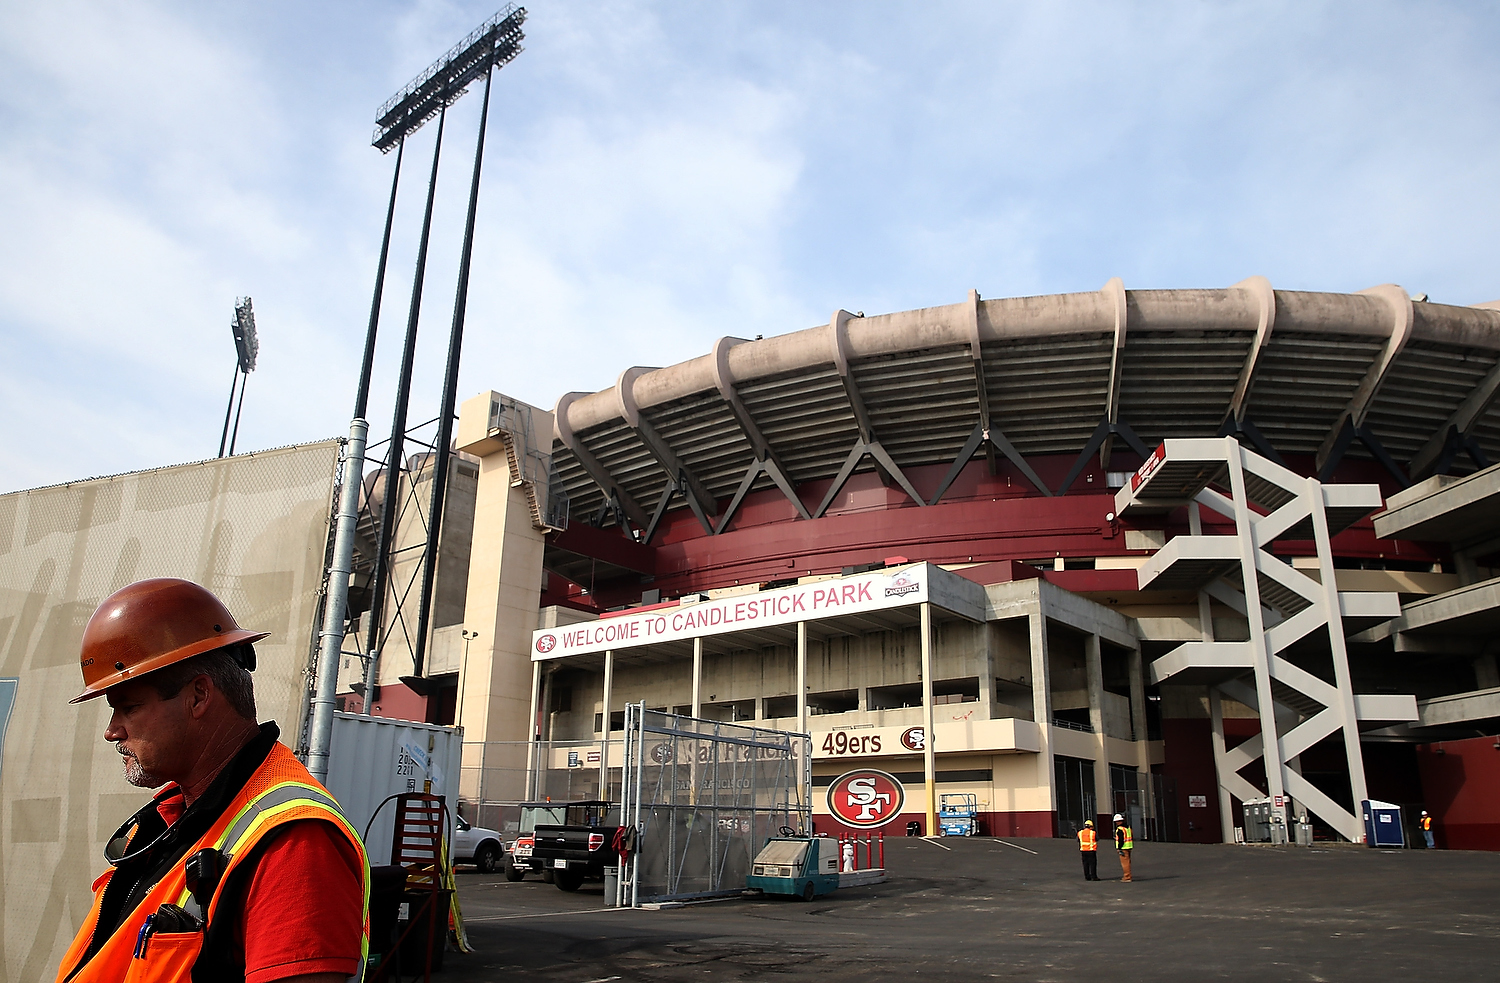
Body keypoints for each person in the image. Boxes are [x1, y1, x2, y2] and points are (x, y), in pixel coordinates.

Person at [55, 578, 370, 983]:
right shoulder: (172, 817)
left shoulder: (294, 842)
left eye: (128, 707)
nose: (112, 731)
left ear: (199, 695)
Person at [1113, 813, 1134, 882]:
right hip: (1129, 846)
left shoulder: (1120, 829)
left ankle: (1127, 877)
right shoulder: (1128, 827)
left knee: (1125, 863)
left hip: (1123, 848)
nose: (1116, 823)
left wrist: (1119, 848)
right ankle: (1128, 875)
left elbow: (1120, 840)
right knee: (1128, 862)